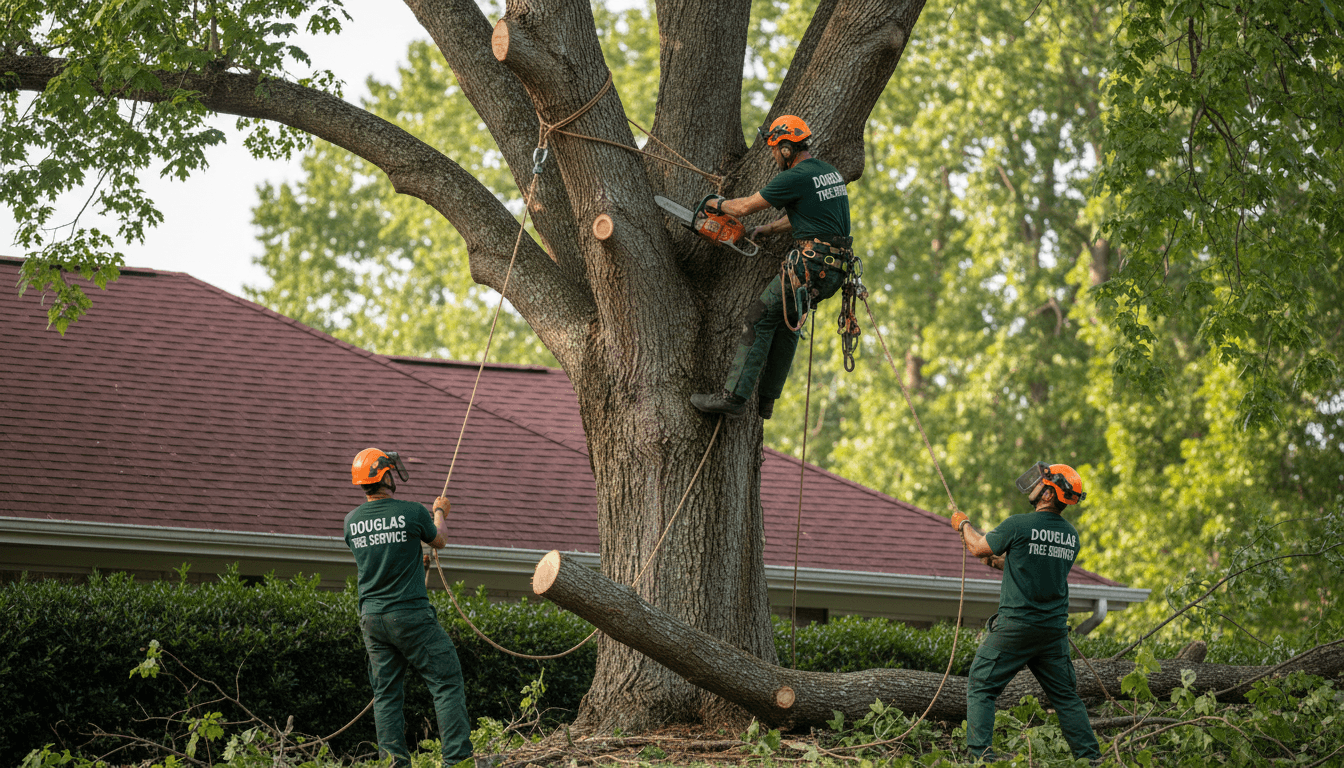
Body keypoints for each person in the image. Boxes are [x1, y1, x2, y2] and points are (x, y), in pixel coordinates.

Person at [689, 114, 853, 420]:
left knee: (760, 317)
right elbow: (805, 214)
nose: (774, 155)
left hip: (811, 264)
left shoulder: (794, 176)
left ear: (787, 149)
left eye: (775, 149)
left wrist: (716, 202)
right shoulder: (828, 173)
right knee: (788, 323)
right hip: (834, 269)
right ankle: (767, 401)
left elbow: (744, 207)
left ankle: (733, 396)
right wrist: (771, 229)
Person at [950, 462, 1103, 764]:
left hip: (1017, 626)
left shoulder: (1019, 524)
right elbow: (1034, 566)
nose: (1033, 485)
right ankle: (1092, 759)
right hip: (1052, 632)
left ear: (1048, 494)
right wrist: (998, 563)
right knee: (1067, 699)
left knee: (981, 684)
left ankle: (981, 758)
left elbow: (979, 547)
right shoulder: (1071, 537)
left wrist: (962, 524)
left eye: (1041, 482)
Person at [345, 448, 473, 768]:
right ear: (385, 476)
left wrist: (417, 559)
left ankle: (393, 764)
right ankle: (457, 761)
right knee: (446, 681)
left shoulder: (351, 522)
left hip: (372, 618)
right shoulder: (414, 512)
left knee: (386, 695)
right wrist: (439, 511)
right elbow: (439, 539)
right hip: (410, 616)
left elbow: (383, 556)